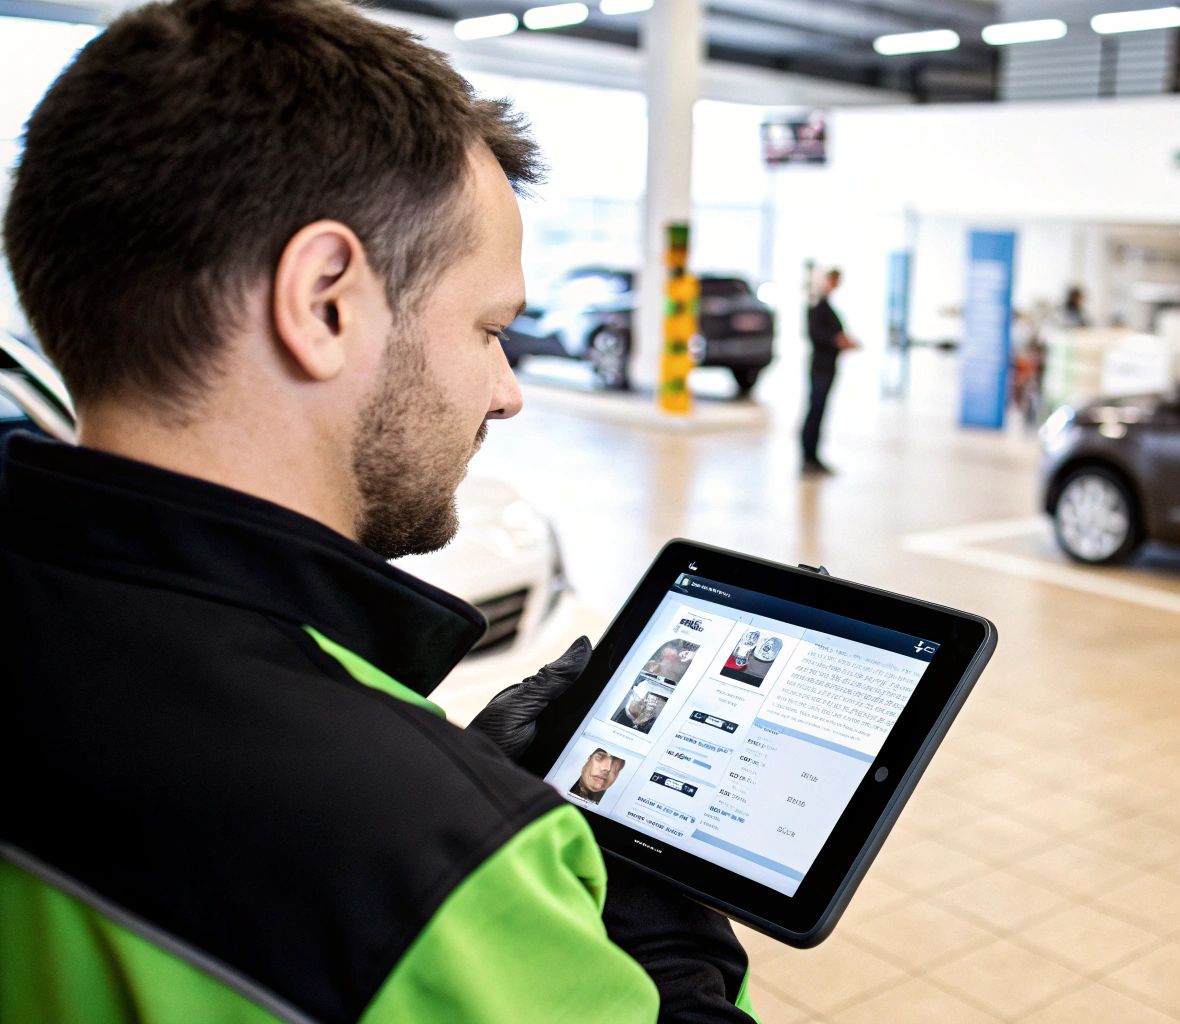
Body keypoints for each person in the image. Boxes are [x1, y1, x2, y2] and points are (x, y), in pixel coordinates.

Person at [0, 2, 757, 1021]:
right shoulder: (428, 867)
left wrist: (463, 771)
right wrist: (647, 895)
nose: (507, 391)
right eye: (491, 329)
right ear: (323, 302)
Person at [800, 267, 856, 476]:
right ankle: (808, 458)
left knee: (819, 411)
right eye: (833, 280)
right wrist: (837, 341)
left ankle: (813, 456)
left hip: (827, 366)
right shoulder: (816, 305)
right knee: (814, 411)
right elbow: (815, 334)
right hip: (820, 367)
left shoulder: (824, 305)